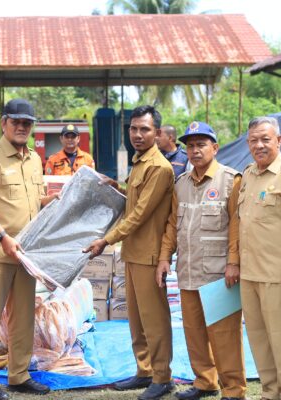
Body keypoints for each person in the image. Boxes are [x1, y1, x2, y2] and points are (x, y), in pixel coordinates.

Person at [0, 98, 56, 400]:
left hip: (25, 254)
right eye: (16, 121)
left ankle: (19, 375)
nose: (22, 127)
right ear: (4, 123)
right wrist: (3, 236)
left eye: (27, 123)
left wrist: (64, 197)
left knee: (23, 318)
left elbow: (35, 201)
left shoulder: (33, 159)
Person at [85, 105, 175, 400]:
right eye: (134, 128)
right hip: (133, 253)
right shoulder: (138, 163)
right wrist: (116, 187)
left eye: (145, 129)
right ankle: (144, 370)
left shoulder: (160, 167)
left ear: (157, 133)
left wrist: (105, 241)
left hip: (149, 256)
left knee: (155, 320)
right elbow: (133, 200)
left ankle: (162, 377)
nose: (138, 134)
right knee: (136, 319)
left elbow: (138, 214)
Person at [158, 121, 246, 400]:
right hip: (188, 270)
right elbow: (172, 224)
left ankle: (233, 390)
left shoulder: (231, 180)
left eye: (201, 145)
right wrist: (164, 258)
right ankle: (205, 381)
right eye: (190, 146)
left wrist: (234, 262)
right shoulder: (181, 183)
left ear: (215, 148)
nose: (195, 151)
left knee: (224, 335)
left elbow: (237, 225)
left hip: (220, 272)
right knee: (194, 332)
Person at [238, 117, 281, 400]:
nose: (259, 145)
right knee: (259, 340)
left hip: (278, 276)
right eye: (254, 140)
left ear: (279, 141)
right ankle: (269, 393)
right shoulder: (248, 175)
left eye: (265, 139)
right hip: (249, 275)